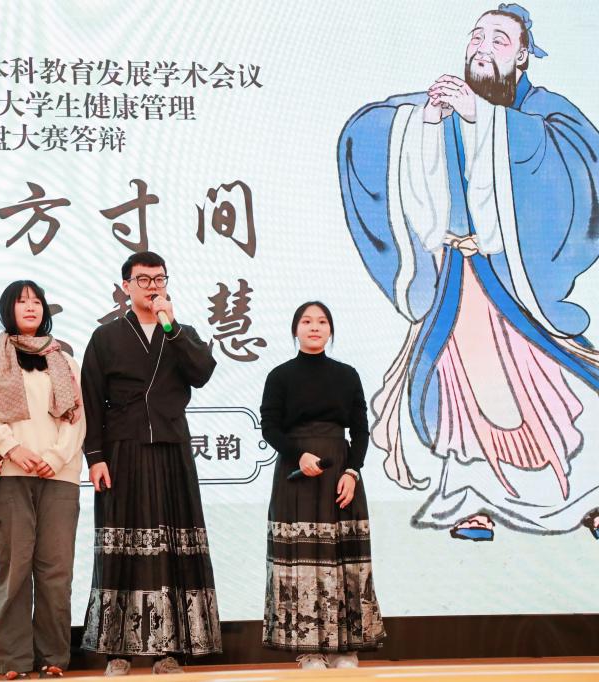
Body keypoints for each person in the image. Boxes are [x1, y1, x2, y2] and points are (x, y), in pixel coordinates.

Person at [339, 3, 599, 539]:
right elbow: (367, 135)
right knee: (462, 395)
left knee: (555, 386)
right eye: (477, 36)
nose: (482, 47)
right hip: (461, 281)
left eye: (499, 40)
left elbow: (578, 169)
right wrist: (425, 124)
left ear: (523, 56)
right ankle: (471, 498)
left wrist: (488, 121)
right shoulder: (439, 105)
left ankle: (589, 495)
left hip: (519, 287)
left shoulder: (545, 113)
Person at [79, 251, 221, 676]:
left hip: (172, 449)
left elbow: (202, 372)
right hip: (122, 450)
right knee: (121, 548)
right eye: (143, 280)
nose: (153, 287)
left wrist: (171, 327)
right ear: (126, 286)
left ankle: (169, 651)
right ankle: (117, 652)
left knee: (172, 547)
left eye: (159, 279)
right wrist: (95, 457)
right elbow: (91, 400)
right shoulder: (106, 337)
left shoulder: (181, 333)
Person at [0, 280, 86, 680]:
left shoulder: (65, 361)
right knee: (15, 568)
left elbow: (77, 418)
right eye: (22, 302)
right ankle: (13, 661)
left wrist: (55, 457)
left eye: (36, 301)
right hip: (9, 474)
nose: (31, 307)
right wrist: (12, 448)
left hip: (59, 476)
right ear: (9, 310)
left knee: (56, 571)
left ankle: (53, 657)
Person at [260, 302, 386, 670]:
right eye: (306, 321)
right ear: (295, 330)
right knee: (301, 558)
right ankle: (309, 648)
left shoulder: (347, 375)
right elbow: (270, 427)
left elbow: (360, 430)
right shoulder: (280, 376)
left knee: (342, 557)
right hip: (296, 473)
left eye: (322, 321)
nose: (314, 327)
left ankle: (345, 646)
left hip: (339, 473)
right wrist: (298, 455)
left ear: (330, 330)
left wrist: (352, 471)